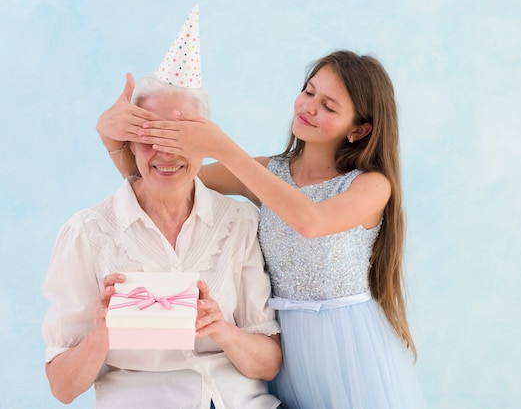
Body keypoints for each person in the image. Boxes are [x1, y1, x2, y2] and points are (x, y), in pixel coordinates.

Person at [97, 50, 426, 408]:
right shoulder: (269, 173)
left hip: (346, 346)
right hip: (285, 348)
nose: (309, 106)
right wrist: (110, 134)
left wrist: (223, 149)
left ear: (359, 130)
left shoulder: (371, 186)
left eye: (329, 106)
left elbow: (310, 222)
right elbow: (164, 183)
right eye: (309, 91)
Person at [42, 74, 283, 409]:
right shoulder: (87, 234)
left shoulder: (238, 223)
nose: (166, 152)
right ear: (128, 141)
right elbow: (62, 388)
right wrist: (100, 335)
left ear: (206, 140)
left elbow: (269, 362)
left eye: (181, 136)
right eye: (151, 135)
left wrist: (223, 330)